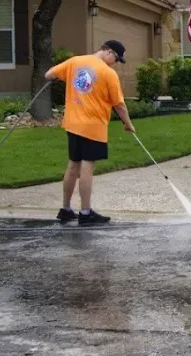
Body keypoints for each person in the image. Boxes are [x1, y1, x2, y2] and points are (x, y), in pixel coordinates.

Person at [45, 40, 135, 225]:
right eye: (116, 59)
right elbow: (119, 104)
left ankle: (66, 209)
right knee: (87, 167)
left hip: (72, 123)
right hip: (93, 126)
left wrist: (62, 77)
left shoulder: (75, 62)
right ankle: (85, 213)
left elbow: (48, 75)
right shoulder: (108, 73)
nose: (115, 63)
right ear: (108, 52)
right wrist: (129, 124)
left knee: (73, 166)